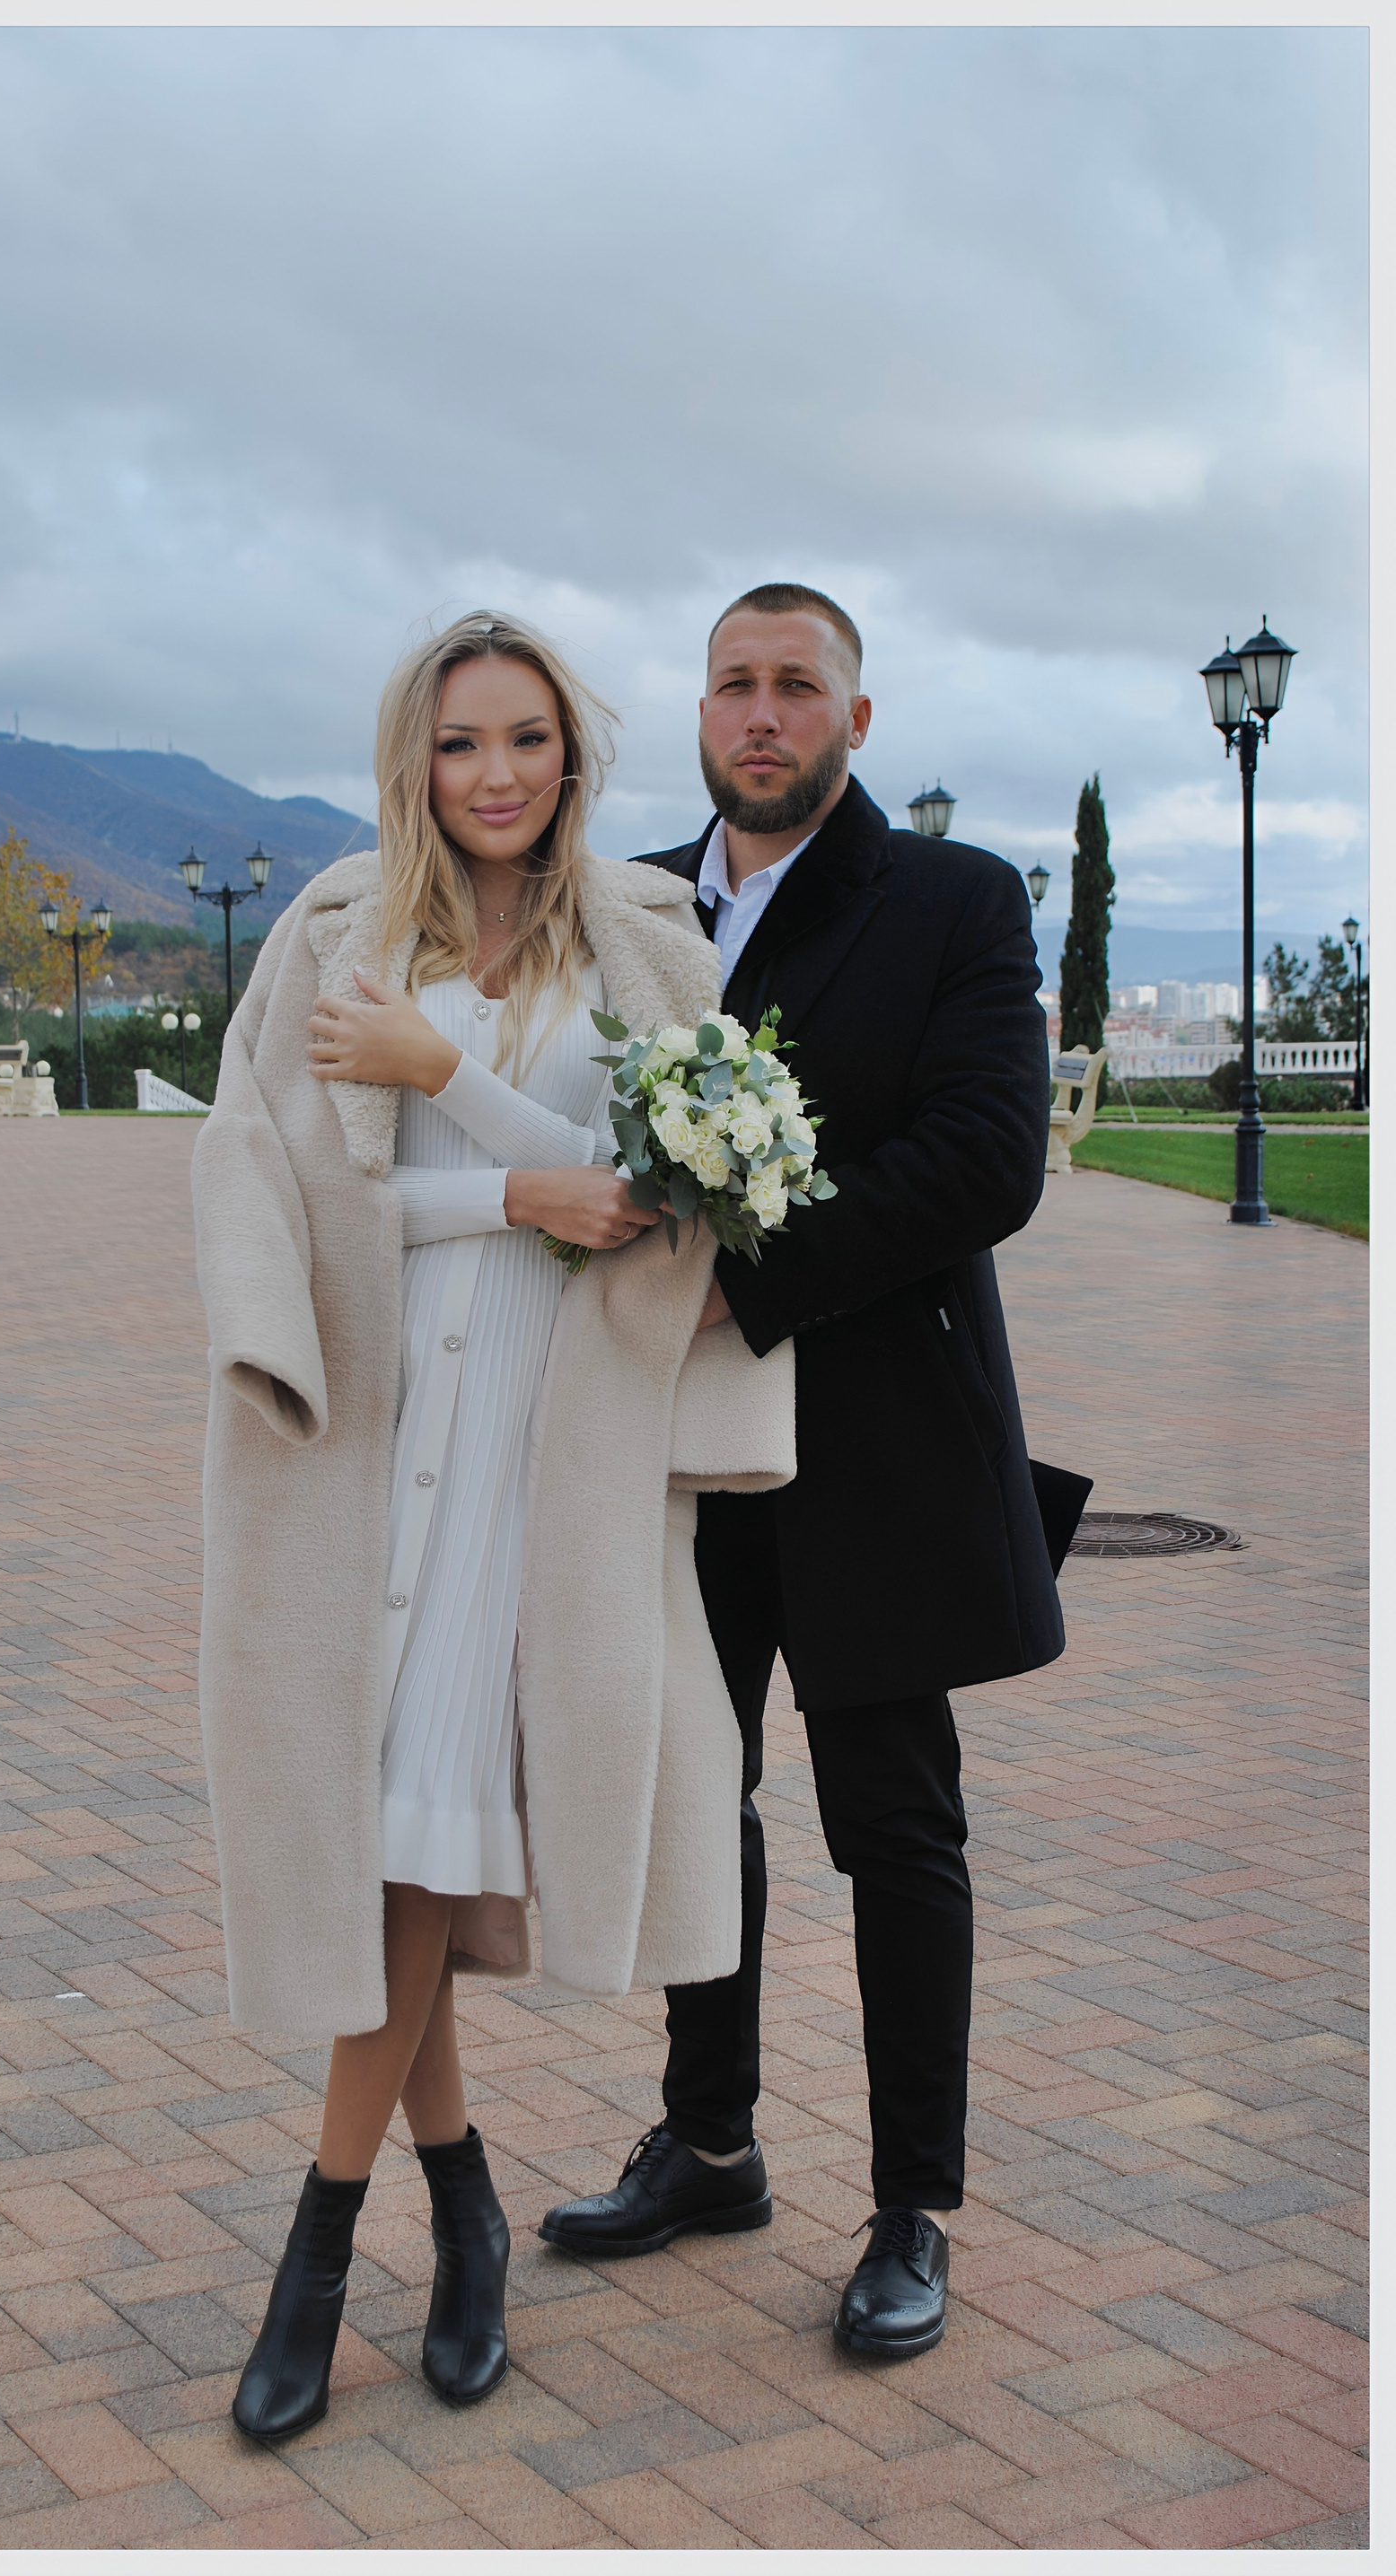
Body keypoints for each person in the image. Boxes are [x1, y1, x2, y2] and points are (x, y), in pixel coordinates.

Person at [189, 610, 795, 2443]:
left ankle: (318, 2249)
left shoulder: (647, 944)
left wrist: (451, 1085)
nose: (497, 772)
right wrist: (501, 1190)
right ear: (417, 759)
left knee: (421, 1847)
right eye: (461, 742)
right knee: (394, 1851)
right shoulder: (333, 934)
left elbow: (637, 1202)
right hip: (370, 1440)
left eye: (527, 736)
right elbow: (291, 1190)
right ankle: (458, 2212)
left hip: (543, 1448)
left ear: (572, 751)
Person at [538, 583, 1066, 2361]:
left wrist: (743, 1275)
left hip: (875, 1441)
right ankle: (708, 2141)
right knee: (699, 1795)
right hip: (677, 1448)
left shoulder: (955, 900)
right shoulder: (628, 901)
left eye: (795, 686)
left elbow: (985, 1159)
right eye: (732, 685)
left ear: (856, 714)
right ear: (700, 712)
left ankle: (914, 2203)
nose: (760, 714)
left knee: (894, 1824)